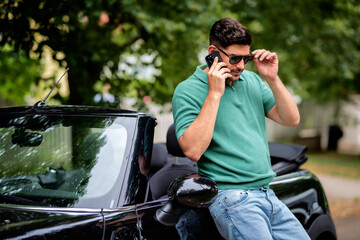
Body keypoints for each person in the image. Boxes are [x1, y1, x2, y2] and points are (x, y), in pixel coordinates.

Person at [172, 17, 310, 240]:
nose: (241, 66)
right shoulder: (187, 89)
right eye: (235, 59)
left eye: (246, 58)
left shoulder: (252, 81)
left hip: (267, 194)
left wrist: (272, 79)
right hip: (233, 198)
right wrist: (215, 93)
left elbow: (291, 119)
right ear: (213, 52)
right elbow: (193, 150)